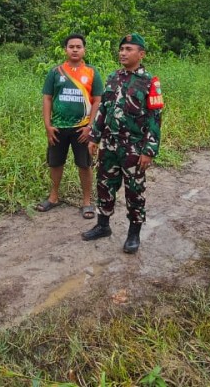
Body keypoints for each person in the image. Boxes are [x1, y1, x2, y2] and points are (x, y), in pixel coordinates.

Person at [83, 33, 163, 254]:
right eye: (122, 49)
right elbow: (104, 110)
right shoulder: (112, 78)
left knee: (134, 190)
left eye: (129, 49)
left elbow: (155, 119)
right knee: (104, 184)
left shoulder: (149, 81)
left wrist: (149, 150)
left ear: (141, 54)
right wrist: (94, 136)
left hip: (134, 149)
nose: (123, 53)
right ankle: (102, 225)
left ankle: (133, 233)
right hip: (109, 145)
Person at [36, 34, 104, 218]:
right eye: (71, 46)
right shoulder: (55, 72)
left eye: (78, 46)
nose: (75, 49)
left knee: (84, 164)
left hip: (82, 129)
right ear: (65, 49)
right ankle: (54, 196)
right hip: (57, 128)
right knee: (55, 163)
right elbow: (47, 98)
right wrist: (48, 126)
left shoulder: (91, 72)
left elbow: (98, 101)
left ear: (84, 50)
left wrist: (90, 126)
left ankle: (87, 202)